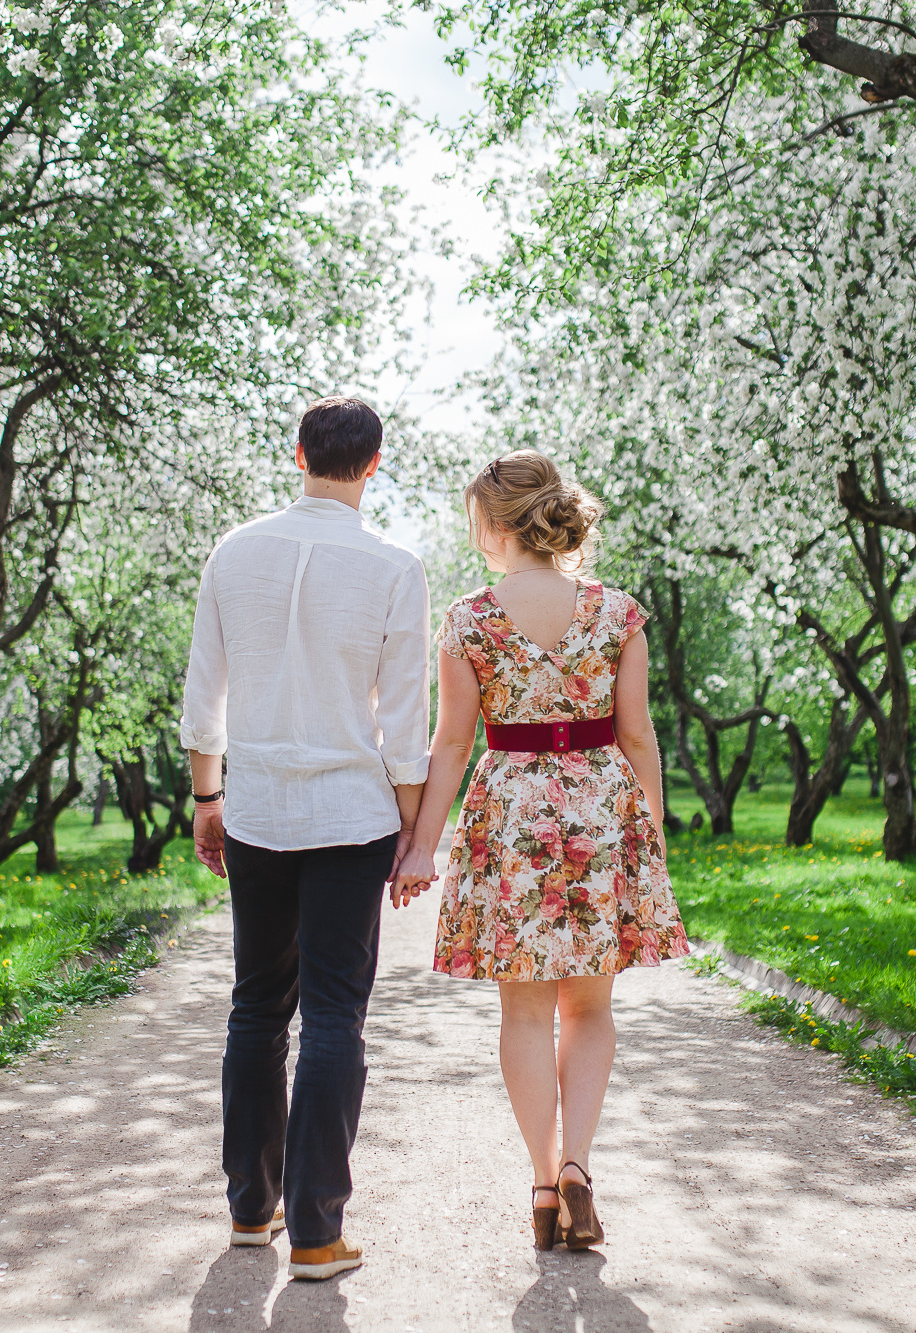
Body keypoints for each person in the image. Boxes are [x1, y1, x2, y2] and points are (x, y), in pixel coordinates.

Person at [391, 449, 690, 1252]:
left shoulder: (467, 619)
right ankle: (579, 1165)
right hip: (600, 805)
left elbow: (451, 742)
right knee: (589, 1008)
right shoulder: (617, 612)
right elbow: (636, 731)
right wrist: (648, 826)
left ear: (493, 524)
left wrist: (421, 845)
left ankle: (538, 1182)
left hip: (510, 812)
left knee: (524, 1010)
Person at [179, 395, 430, 1281]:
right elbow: (405, 718)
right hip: (350, 818)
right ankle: (318, 1231)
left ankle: (252, 1209)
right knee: (333, 1013)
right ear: (373, 465)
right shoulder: (396, 567)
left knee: (256, 1004)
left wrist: (206, 796)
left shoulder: (233, 551)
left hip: (256, 813)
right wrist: (412, 824)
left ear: (297, 454)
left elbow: (203, 687)